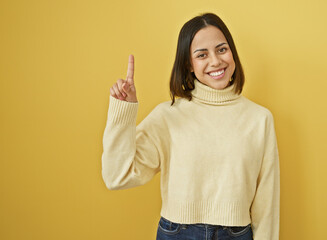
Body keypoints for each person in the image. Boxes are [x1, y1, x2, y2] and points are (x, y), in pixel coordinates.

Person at [102, 12, 280, 240]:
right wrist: (123, 112)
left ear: (232, 53)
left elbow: (267, 203)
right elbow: (117, 176)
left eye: (222, 49)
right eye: (202, 54)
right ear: (189, 65)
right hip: (177, 233)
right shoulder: (168, 116)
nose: (215, 61)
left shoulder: (260, 119)